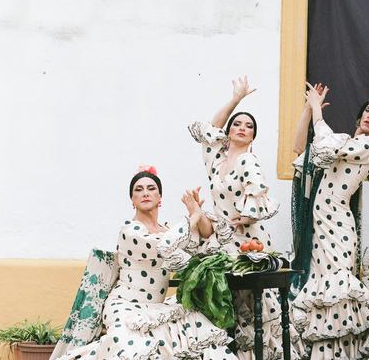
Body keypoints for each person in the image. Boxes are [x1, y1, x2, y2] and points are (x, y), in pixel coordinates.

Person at [53, 168, 236, 359]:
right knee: (133, 347)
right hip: (125, 306)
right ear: (132, 200)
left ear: (160, 198)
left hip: (156, 307)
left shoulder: (168, 229)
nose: (145, 192)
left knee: (198, 332)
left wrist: (197, 212)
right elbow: (165, 245)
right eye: (138, 190)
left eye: (151, 188)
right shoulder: (130, 231)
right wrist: (194, 217)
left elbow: (204, 243)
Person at [188, 77, 302, 359]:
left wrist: (245, 217)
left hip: (246, 242)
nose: (242, 128)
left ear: (253, 136)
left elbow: (258, 198)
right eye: (237, 124)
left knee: (252, 305)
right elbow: (211, 129)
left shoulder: (248, 161)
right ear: (229, 132)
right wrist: (236, 99)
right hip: (220, 238)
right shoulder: (217, 159)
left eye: (248, 126)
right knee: (225, 300)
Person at [289, 82, 369, 359]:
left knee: (339, 291)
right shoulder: (343, 139)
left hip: (338, 225)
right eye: (368, 110)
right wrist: (309, 109)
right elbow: (300, 149)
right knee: (322, 292)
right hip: (320, 224)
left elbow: (324, 144)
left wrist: (318, 107)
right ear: (359, 116)